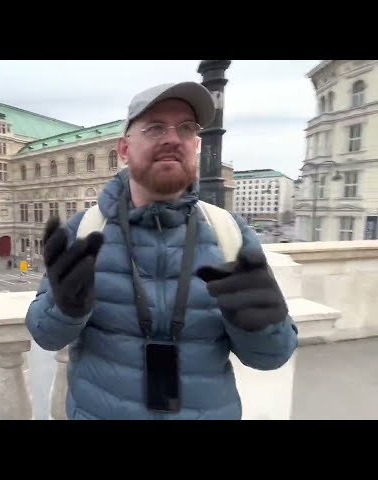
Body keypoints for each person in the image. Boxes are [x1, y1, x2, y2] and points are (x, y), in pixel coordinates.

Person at [25, 81, 299, 420]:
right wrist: (65, 310)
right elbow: (45, 335)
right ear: (123, 149)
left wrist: (265, 326)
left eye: (186, 128)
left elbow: (270, 357)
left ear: (196, 145)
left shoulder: (229, 233)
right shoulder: (84, 232)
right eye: (155, 127)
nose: (172, 138)